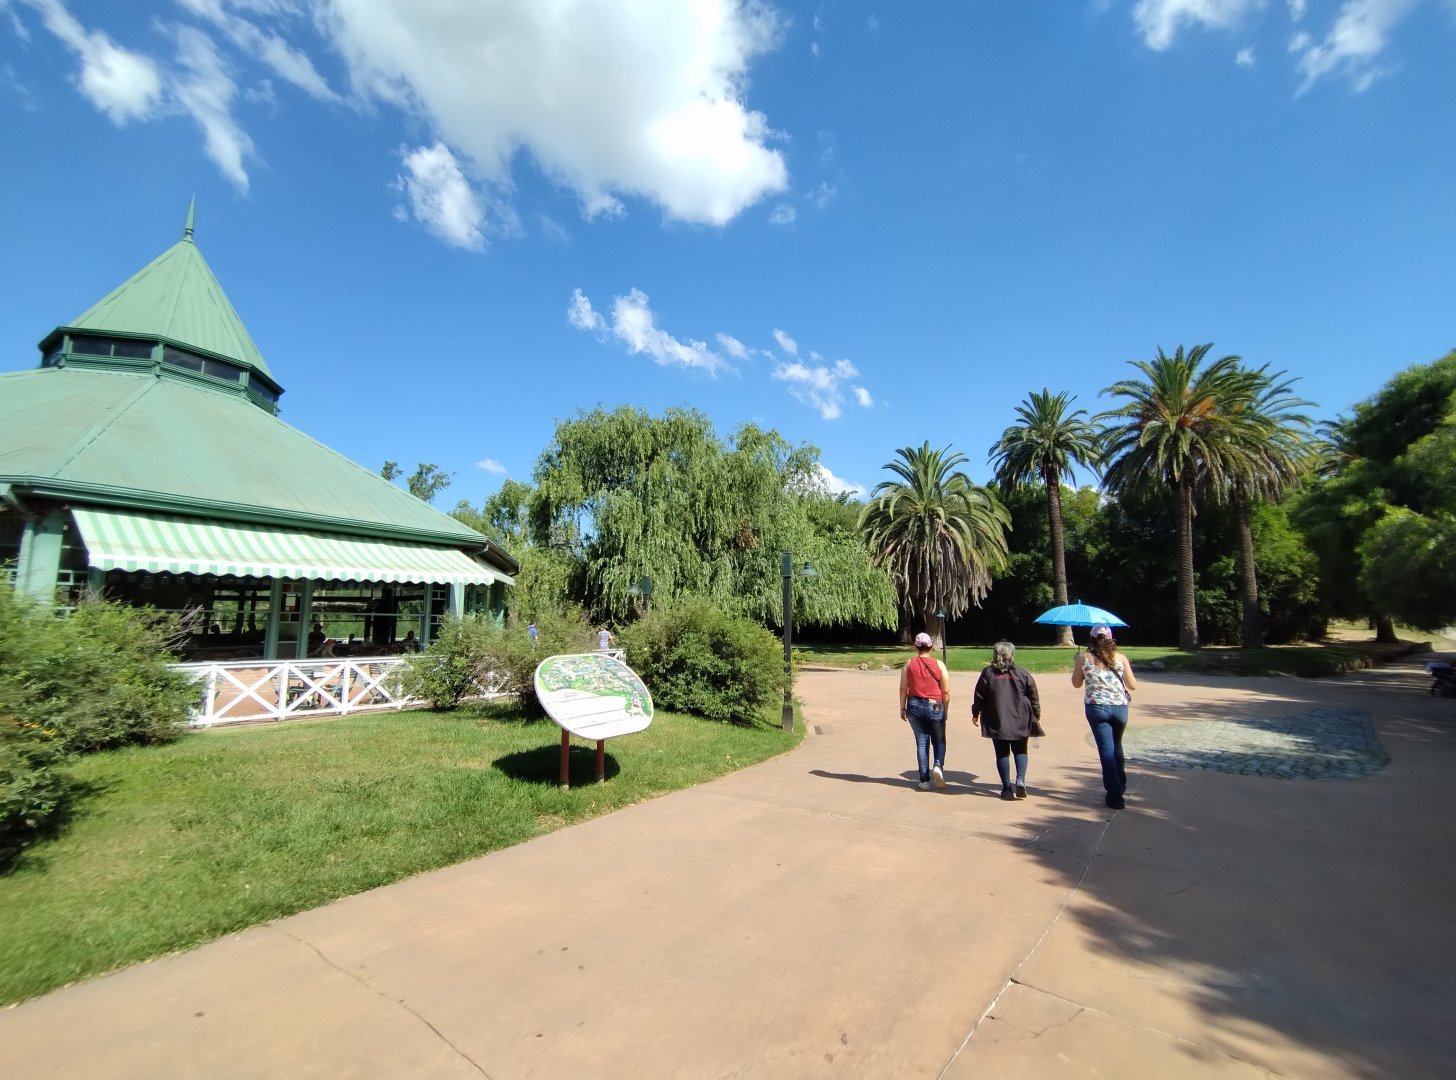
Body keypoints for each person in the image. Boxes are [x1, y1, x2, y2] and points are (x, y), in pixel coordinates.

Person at [1071, 624, 1137, 809]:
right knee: (1117, 745)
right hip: (1119, 708)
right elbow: (1132, 685)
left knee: (1106, 749)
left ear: (1091, 639)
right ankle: (1120, 783)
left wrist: (1078, 663)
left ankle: (1115, 795)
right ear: (1110, 639)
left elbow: (1076, 684)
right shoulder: (1121, 658)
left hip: (1096, 708)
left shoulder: (1084, 658)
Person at [972, 640, 1042, 801]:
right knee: (1021, 750)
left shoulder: (988, 673)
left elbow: (979, 696)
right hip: (1020, 718)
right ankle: (1020, 780)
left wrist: (975, 712)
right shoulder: (1022, 673)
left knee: (1002, 753)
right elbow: (1033, 696)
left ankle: (1006, 788)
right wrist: (1036, 714)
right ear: (1012, 655)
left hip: (997, 719)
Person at [898, 631, 951, 790]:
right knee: (939, 739)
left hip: (914, 704)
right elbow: (946, 691)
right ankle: (938, 766)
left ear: (916, 647)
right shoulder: (939, 664)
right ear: (930, 647)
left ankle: (924, 780)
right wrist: (945, 710)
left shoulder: (909, 664)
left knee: (921, 742)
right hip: (935, 704)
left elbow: (903, 688)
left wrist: (902, 707)